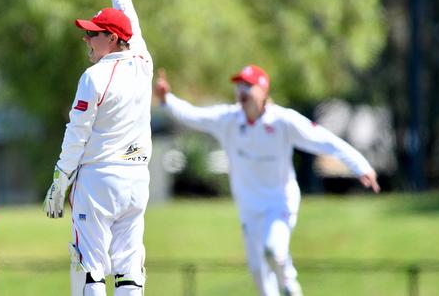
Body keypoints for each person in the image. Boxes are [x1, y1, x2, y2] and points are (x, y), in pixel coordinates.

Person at [154, 65, 380, 296]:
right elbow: (194, 115)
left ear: (263, 90)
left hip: (279, 203)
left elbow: (323, 139)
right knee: (258, 271)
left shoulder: (283, 121)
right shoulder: (228, 120)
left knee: (274, 249)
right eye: (238, 86)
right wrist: (166, 99)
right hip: (249, 209)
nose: (241, 91)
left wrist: (360, 165)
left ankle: (290, 284)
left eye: (248, 86)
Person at [44, 0, 152, 296]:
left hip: (98, 181)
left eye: (93, 35)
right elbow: (131, 21)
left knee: (89, 268)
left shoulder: (94, 77)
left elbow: (76, 134)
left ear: (112, 39)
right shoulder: (142, 63)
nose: (87, 41)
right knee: (129, 270)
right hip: (137, 180)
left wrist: (60, 183)